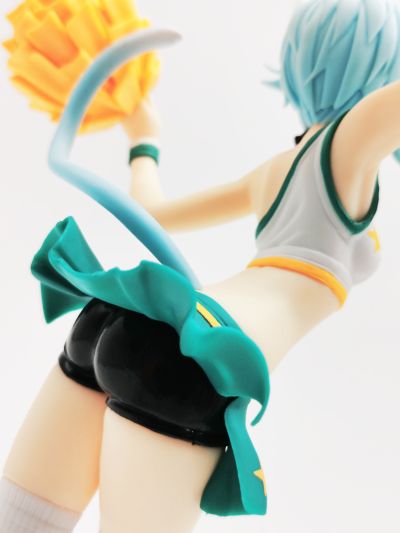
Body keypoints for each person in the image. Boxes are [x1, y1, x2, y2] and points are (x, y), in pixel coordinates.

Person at [1, 0, 399, 531]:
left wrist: (144, 135)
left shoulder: (276, 170)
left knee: (21, 520)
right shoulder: (350, 145)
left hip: (124, 320)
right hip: (198, 358)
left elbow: (154, 210)